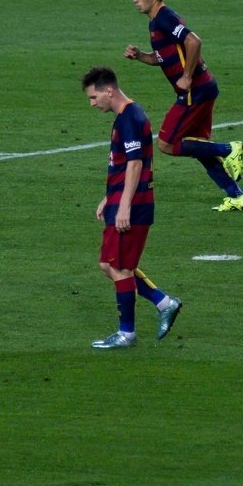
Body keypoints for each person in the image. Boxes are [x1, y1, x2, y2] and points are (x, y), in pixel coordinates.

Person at [124, 0, 243, 213]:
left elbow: (194, 41)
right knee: (197, 146)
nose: (135, 0)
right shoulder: (155, 22)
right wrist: (140, 56)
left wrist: (187, 76)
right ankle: (236, 195)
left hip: (195, 90)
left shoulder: (165, 18)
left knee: (166, 144)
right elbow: (162, 57)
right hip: (203, 88)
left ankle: (229, 149)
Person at [81, 65, 182, 350]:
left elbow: (136, 164)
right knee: (108, 265)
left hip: (133, 204)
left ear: (108, 91)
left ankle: (127, 333)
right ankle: (164, 302)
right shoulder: (126, 116)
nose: (92, 104)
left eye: (94, 97)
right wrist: (110, 197)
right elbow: (123, 164)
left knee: (120, 268)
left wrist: (124, 206)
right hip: (122, 198)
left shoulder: (131, 118)